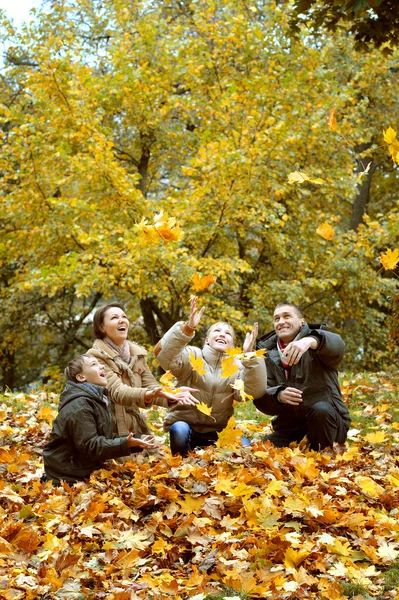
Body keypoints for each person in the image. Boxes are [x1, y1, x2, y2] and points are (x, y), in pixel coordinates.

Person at [154, 297, 267, 456]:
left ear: (232, 345)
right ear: (207, 340)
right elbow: (164, 356)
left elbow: (255, 390)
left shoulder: (237, 366)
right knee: (179, 432)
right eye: (217, 331)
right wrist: (187, 328)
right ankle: (182, 464)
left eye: (228, 333)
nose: (222, 334)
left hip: (219, 431)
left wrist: (250, 357)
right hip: (187, 426)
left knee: (245, 449)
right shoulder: (193, 355)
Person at [87, 303, 199, 439]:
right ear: (101, 327)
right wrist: (149, 394)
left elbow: (151, 386)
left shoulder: (137, 355)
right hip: (106, 432)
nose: (122, 320)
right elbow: (117, 392)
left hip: (135, 428)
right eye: (114, 318)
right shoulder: (94, 358)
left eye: (124, 316)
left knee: (157, 456)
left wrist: (172, 394)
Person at [43, 355, 159, 485]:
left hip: (85, 470)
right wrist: (126, 444)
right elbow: (91, 446)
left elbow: (102, 439)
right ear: (81, 377)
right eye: (94, 364)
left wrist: (138, 440)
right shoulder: (79, 405)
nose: (102, 366)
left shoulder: (96, 399)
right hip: (68, 477)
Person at [253, 302, 351, 451]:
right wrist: (278, 395)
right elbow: (261, 399)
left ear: (302, 322)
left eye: (287, 316)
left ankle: (323, 456)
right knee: (264, 450)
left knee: (321, 411)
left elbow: (338, 345)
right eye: (277, 318)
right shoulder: (266, 354)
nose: (281, 322)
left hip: (326, 421)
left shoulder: (317, 344)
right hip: (291, 427)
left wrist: (311, 341)